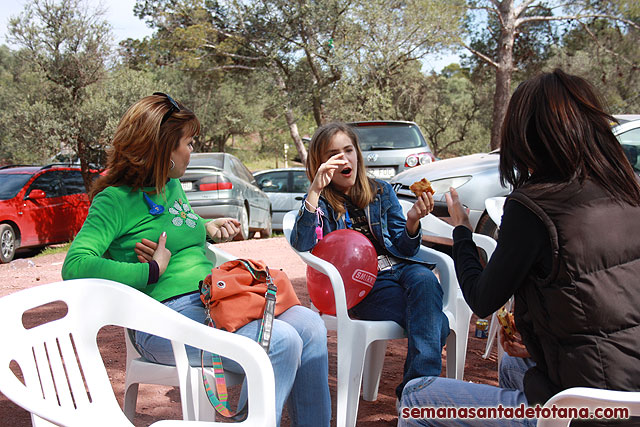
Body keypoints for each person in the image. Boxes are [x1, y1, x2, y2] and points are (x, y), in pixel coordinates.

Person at [61, 93, 331, 426]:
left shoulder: (171, 186)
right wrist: (150, 269)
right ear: (161, 148)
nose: (192, 150)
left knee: (311, 327)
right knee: (280, 340)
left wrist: (206, 228)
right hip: (161, 321)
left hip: (211, 299)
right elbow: (74, 266)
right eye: (187, 143)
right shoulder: (113, 201)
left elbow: (171, 227)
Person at [399, 69, 640, 426]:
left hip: (587, 411)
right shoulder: (628, 189)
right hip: (630, 397)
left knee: (416, 398)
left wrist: (462, 231)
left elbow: (482, 298)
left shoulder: (533, 207)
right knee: (515, 363)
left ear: (526, 137)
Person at [290, 122, 450, 399]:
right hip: (363, 285)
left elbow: (406, 249)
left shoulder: (381, 191)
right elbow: (303, 244)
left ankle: (415, 395)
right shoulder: (321, 203)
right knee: (436, 322)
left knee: (425, 279)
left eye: (348, 150)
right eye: (333, 154)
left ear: (358, 154)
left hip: (401, 269)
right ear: (320, 163)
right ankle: (418, 397)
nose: (344, 159)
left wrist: (412, 221)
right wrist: (315, 191)